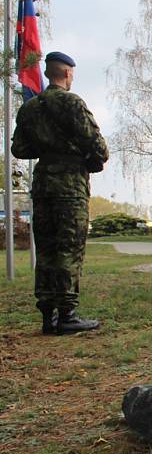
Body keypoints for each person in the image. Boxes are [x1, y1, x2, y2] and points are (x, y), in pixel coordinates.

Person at [11, 51, 108, 334]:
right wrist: (85, 157)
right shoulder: (71, 102)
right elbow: (97, 144)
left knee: (47, 249)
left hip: (43, 185)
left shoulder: (29, 108)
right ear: (67, 73)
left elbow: (19, 149)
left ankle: (47, 315)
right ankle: (67, 313)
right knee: (69, 247)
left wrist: (47, 149)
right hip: (70, 185)